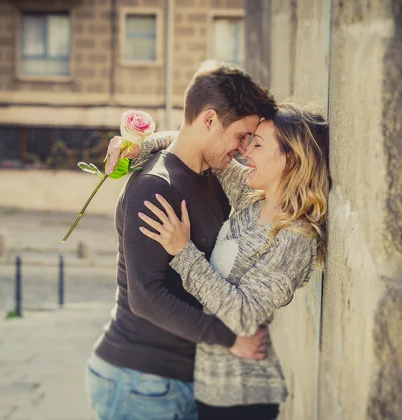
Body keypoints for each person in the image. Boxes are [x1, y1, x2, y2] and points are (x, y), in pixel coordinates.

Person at [107, 102, 330, 419]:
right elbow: (197, 149)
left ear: (289, 159)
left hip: (241, 395)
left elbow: (243, 314)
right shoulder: (253, 200)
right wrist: (139, 148)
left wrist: (183, 252)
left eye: (257, 144)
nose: (245, 152)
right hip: (206, 385)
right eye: (248, 140)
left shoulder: (296, 238)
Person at [85, 61, 277, 420]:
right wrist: (230, 338)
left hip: (173, 382)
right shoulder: (154, 187)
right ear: (209, 120)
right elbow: (145, 297)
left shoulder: (212, 176)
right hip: (140, 381)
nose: (242, 148)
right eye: (240, 136)